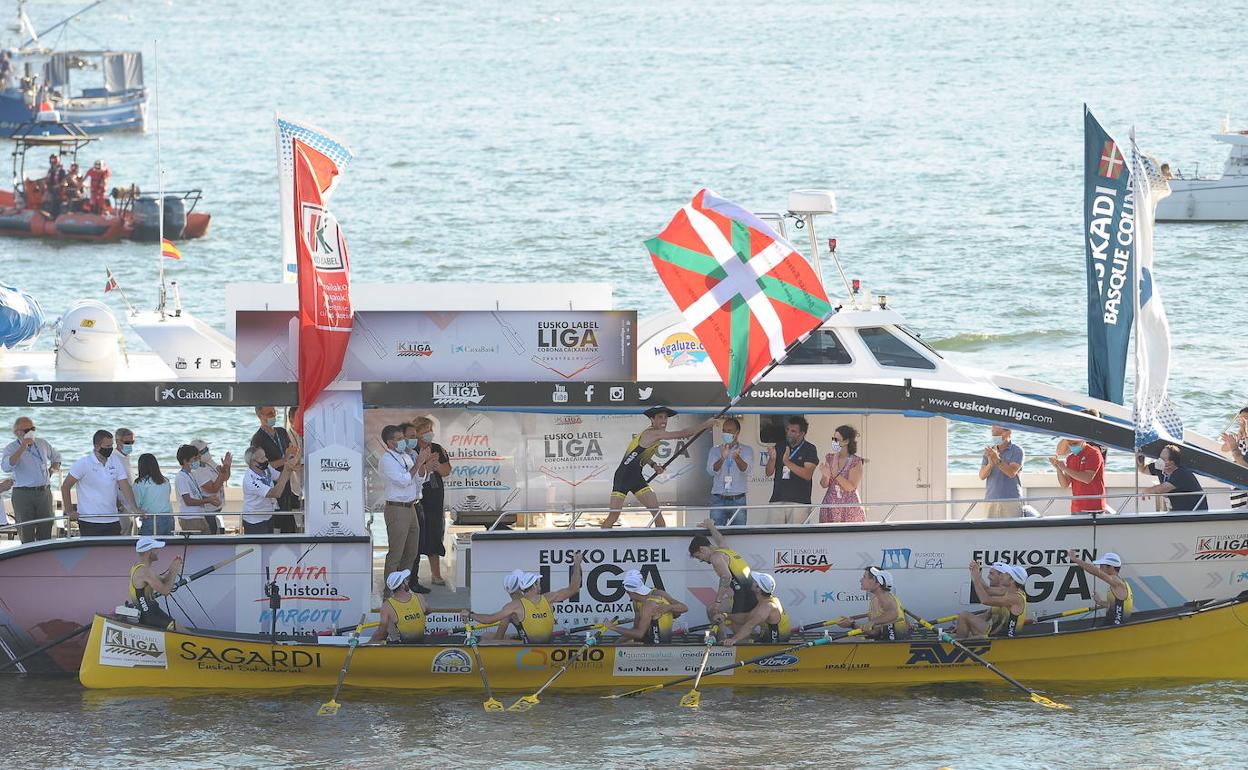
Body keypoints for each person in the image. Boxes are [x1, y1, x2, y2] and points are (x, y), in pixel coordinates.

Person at [600, 407, 714, 529]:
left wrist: (654, 465)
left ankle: (662, 541)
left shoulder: (655, 434)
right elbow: (683, 433)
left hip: (637, 477)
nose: (664, 420)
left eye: (665, 417)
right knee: (614, 516)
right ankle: (598, 541)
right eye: (660, 417)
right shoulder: (653, 433)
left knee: (657, 513)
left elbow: (641, 454)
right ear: (652, 419)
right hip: (623, 477)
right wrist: (705, 424)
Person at [464, 554, 584, 643]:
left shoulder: (515, 606)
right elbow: (574, 588)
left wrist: (470, 614)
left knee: (484, 642)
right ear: (534, 586)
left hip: (529, 646)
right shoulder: (549, 598)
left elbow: (489, 620)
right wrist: (577, 563)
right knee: (488, 636)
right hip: (545, 644)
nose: (540, 585)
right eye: (538, 583)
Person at [379, 424, 433, 596]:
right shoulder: (387, 460)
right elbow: (403, 480)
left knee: (411, 551)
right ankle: (389, 593)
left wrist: (424, 465)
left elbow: (418, 479)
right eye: (400, 439)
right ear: (390, 442)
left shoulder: (406, 456)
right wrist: (418, 463)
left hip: (411, 507)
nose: (404, 442)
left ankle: (403, 588)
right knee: (396, 553)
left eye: (403, 438)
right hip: (397, 509)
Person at [61, 430, 139, 536]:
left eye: (111, 445)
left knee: (113, 551)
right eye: (107, 446)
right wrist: (70, 511)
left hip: (112, 519)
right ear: (97, 446)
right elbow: (65, 486)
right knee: (91, 552)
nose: (110, 449)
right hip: (89, 520)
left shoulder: (115, 461)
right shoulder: (83, 463)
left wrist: (135, 508)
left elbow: (124, 485)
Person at [688, 518, 757, 631]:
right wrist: (711, 526)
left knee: (715, 611)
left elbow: (726, 577)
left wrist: (718, 602)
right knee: (713, 611)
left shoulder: (715, 557)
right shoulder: (725, 550)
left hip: (745, 597)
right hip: (750, 593)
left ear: (702, 549)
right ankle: (724, 639)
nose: (701, 560)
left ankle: (728, 642)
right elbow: (720, 539)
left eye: (698, 557)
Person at [2, 416, 62, 542]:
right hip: (23, 494)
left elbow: (56, 457)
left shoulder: (42, 443)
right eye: (27, 430)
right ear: (17, 432)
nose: (31, 432)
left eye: (33, 429)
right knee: (26, 531)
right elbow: (6, 467)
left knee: (46, 528)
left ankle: (44, 558)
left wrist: (52, 470)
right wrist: (23, 447)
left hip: (44, 492)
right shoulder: (11, 448)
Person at [407, 417, 451, 586]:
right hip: (416, 495)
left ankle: (436, 574)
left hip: (435, 495)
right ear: (417, 433)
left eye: (430, 430)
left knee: (435, 531)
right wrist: (424, 462)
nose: (429, 434)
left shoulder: (438, 448)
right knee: (415, 535)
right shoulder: (411, 449)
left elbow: (446, 470)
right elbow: (409, 472)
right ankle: (410, 577)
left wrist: (435, 464)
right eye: (425, 431)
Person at [250, 406, 300, 533]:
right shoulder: (257, 439)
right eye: (269, 413)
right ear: (259, 415)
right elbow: (261, 466)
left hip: (287, 482)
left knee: (288, 522)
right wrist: (285, 459)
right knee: (277, 522)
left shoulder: (282, 432)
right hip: (272, 486)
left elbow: (291, 452)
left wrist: (293, 460)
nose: (273, 416)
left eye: (274, 412)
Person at [608, 569, 688, 644]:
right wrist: (616, 644)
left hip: (659, 647)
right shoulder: (636, 603)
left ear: (629, 591)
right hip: (648, 642)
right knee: (630, 642)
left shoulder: (658, 594)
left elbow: (684, 608)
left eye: (627, 592)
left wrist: (668, 608)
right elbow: (636, 630)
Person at [766, 416, 819, 524]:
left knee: (797, 538)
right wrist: (772, 459)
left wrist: (787, 462)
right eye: (788, 430)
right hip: (778, 499)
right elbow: (768, 472)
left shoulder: (810, 449)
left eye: (793, 431)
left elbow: (807, 474)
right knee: (774, 537)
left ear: (802, 433)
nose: (789, 433)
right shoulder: (780, 446)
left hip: (799, 502)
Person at [961, 561, 1028, 639]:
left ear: (1012, 580)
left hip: (1005, 638)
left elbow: (985, 600)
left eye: (1006, 574)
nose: (1002, 576)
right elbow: (987, 589)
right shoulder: (1007, 590)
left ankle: (956, 647)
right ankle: (959, 641)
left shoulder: (1016, 598)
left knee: (964, 615)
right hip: (997, 632)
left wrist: (975, 578)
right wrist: (977, 573)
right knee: (965, 622)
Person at [705, 417, 753, 526]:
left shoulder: (746, 450)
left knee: (739, 535)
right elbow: (710, 471)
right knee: (715, 532)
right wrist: (722, 458)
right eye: (724, 430)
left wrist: (737, 458)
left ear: (737, 432)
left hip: (738, 499)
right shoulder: (715, 450)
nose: (726, 433)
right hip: (718, 499)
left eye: (729, 431)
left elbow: (747, 470)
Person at [839, 567, 909, 640]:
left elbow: (874, 632)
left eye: (864, 577)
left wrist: (852, 625)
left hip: (892, 644)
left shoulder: (883, 598)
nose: (861, 580)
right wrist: (851, 620)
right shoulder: (885, 596)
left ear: (877, 582)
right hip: (897, 640)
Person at [721, 572, 790, 646]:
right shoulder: (768, 600)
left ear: (758, 588)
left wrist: (733, 640)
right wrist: (726, 616)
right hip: (767, 637)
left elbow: (750, 625)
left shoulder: (767, 606)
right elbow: (747, 618)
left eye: (754, 581)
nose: (752, 581)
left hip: (776, 644)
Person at [241, 445, 298, 534]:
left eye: (265, 456)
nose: (266, 459)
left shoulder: (266, 468)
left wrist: (290, 466)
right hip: (255, 521)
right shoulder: (250, 480)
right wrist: (287, 469)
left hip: (268, 515)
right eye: (262, 458)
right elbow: (275, 493)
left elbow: (280, 478)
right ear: (253, 462)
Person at [174, 444, 230, 534]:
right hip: (190, 519)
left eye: (198, 458)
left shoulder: (190, 475)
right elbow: (188, 501)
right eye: (194, 459)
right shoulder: (181, 477)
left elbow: (195, 497)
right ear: (185, 461)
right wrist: (208, 500)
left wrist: (210, 500)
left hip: (199, 516)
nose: (198, 461)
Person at [1068, 550, 1133, 625]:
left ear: (1111, 567)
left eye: (1102, 566)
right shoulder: (1121, 583)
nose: (1100, 568)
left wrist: (1075, 560)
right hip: (1113, 627)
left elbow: (1096, 572)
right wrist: (1100, 602)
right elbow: (1115, 606)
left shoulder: (1116, 581)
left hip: (1114, 628)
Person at [128, 537, 181, 630]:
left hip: (152, 611)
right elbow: (165, 591)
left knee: (181, 630)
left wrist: (171, 569)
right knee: (181, 631)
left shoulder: (139, 566)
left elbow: (163, 581)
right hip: (149, 615)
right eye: (156, 549)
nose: (159, 551)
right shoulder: (144, 571)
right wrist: (174, 572)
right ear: (149, 552)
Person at [1136, 445, 1209, 512]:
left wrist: (1147, 491)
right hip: (1178, 511)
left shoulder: (1182, 473)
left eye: (1163, 459)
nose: (1159, 461)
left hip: (1194, 512)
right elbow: (1143, 470)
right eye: (1159, 458)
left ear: (1171, 462)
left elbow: (1163, 489)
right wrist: (1140, 462)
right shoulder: (1159, 468)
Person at [818, 424, 865, 522]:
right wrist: (826, 476)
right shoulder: (830, 458)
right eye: (833, 439)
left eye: (837, 440)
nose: (834, 442)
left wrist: (836, 475)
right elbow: (824, 484)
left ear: (846, 441)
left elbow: (851, 487)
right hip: (830, 506)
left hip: (848, 507)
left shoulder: (856, 461)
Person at [370, 570, 430, 644]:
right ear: (402, 585)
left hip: (401, 646)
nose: (407, 581)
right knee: (389, 623)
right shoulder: (419, 597)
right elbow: (428, 610)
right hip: (421, 643)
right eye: (405, 580)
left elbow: (381, 632)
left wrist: (370, 642)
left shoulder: (387, 606)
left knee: (387, 623)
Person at [1049, 437, 1106, 514]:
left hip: (1094, 507)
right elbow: (1064, 484)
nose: (1072, 446)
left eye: (1075, 444)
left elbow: (1087, 478)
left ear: (1082, 440)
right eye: (1070, 444)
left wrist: (1064, 468)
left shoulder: (1094, 453)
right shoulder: (1070, 458)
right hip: (1076, 507)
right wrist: (1058, 468)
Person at [978, 425, 1025, 518]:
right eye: (993, 433)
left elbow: (1011, 473)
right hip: (991, 499)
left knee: (1013, 531)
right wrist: (990, 464)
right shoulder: (989, 451)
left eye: (997, 434)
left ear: (1008, 433)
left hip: (1011, 500)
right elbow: (982, 476)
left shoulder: (1017, 451)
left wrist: (997, 460)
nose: (994, 437)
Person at [133, 453, 174, 536]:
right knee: (167, 546)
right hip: (168, 517)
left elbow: (136, 503)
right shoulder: (165, 481)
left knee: (147, 545)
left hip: (150, 518)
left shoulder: (140, 483)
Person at [1219, 408, 1247, 509]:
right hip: (1237, 477)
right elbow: (1224, 448)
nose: (1242, 421)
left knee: (1241, 508)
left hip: (1244, 476)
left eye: (1245, 418)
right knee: (1237, 506)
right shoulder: (1238, 436)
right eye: (1240, 418)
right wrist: (1229, 442)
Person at [112, 427, 137, 535]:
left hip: (130, 505)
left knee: (132, 534)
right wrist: (119, 505)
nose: (130, 445)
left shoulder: (126, 457)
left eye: (132, 442)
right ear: (117, 441)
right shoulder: (113, 458)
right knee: (123, 535)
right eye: (127, 442)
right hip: (121, 506)